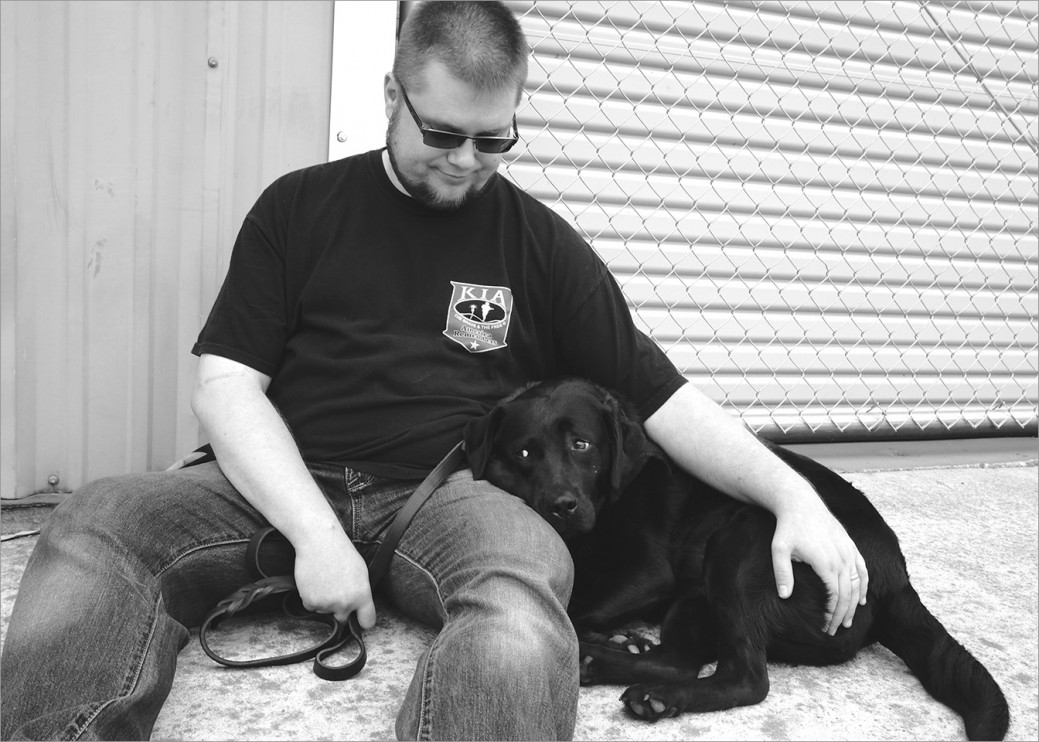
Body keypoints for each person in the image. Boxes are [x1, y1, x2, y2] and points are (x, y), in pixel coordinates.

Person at [0, 2, 868, 740]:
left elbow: (661, 400)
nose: (464, 161)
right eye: (442, 133)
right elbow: (227, 384)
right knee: (97, 522)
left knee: (527, 601)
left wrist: (792, 495)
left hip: (453, 496)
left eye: (494, 141)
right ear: (392, 96)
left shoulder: (542, 246)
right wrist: (315, 534)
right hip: (274, 483)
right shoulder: (299, 208)